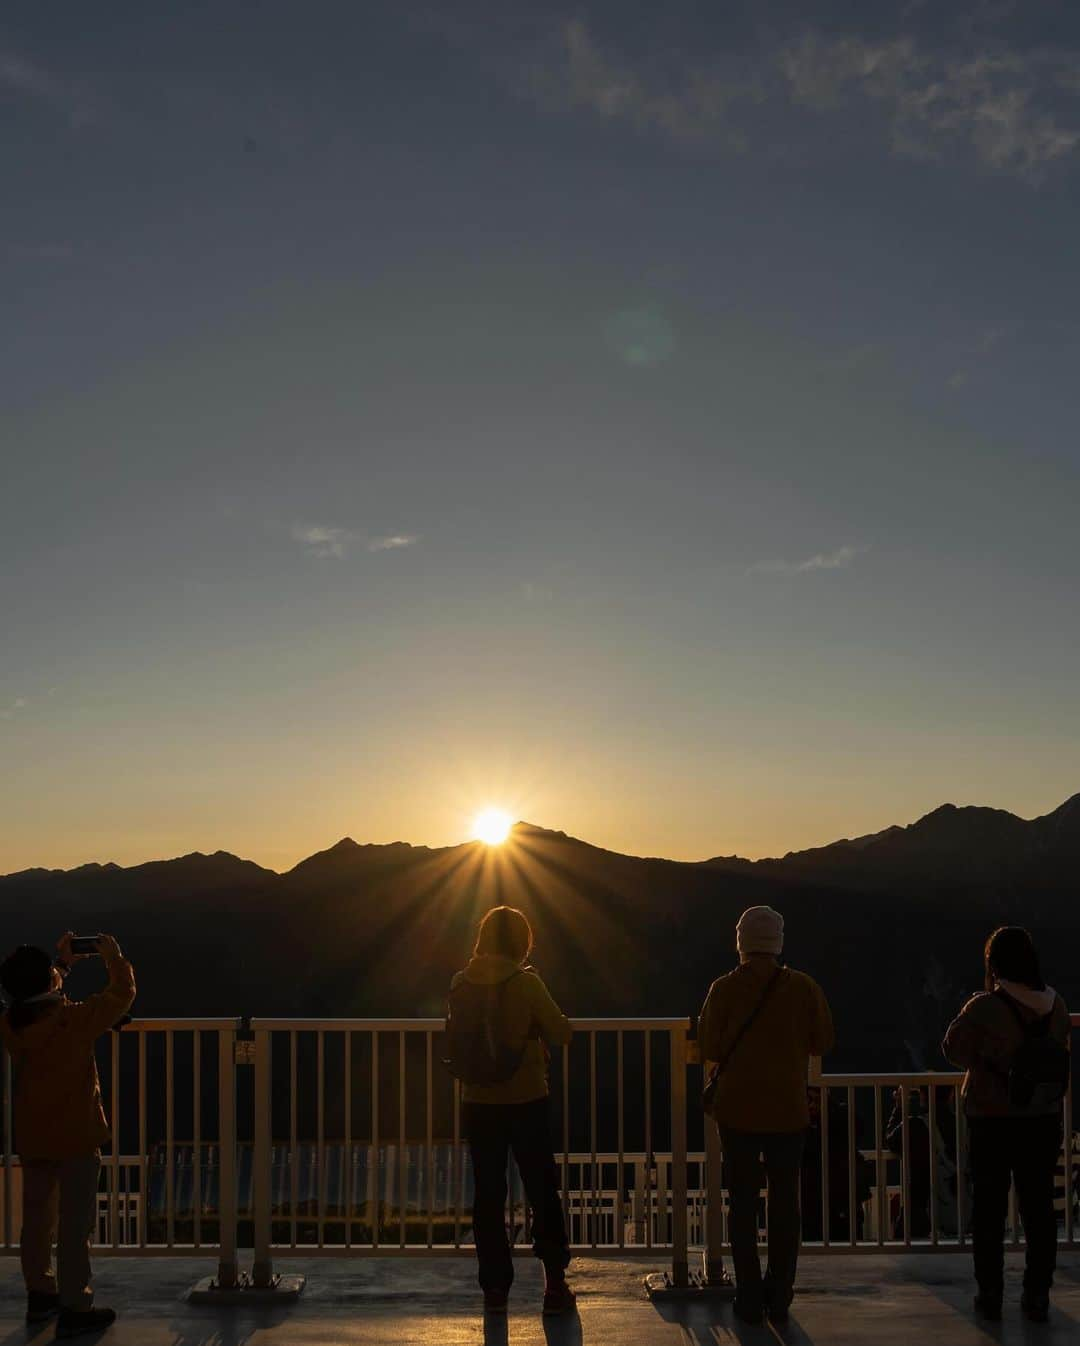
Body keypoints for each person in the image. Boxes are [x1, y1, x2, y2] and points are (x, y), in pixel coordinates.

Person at [699, 905, 834, 1325]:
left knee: (741, 1203)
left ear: (741, 943)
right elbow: (823, 1040)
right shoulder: (803, 987)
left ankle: (749, 1295)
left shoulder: (723, 989)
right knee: (784, 1201)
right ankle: (780, 1294)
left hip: (737, 1110)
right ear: (777, 941)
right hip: (788, 1110)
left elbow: (709, 1047)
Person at [0, 932, 136, 1338]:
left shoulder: (11, 1023)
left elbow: (35, 1000)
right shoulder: (74, 1020)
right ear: (47, 984)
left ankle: (40, 1295)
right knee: (75, 1226)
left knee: (37, 1220)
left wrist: (61, 968)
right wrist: (114, 956)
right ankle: (76, 1303)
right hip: (76, 1135)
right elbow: (122, 993)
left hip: (34, 1133)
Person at [448, 906, 575, 1317]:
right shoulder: (527, 983)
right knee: (541, 1190)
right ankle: (554, 1286)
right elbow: (561, 1032)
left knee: (488, 1196)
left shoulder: (460, 982)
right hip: (526, 1101)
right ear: (522, 943)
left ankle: (495, 1292)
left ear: (483, 939)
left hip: (478, 1102)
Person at [943, 926, 1070, 1324]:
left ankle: (990, 1292)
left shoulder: (984, 1006)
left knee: (989, 1209)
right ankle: (1037, 1295)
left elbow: (953, 1050)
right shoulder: (1056, 1005)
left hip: (992, 1121)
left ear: (994, 964)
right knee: (1039, 1209)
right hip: (1043, 1119)